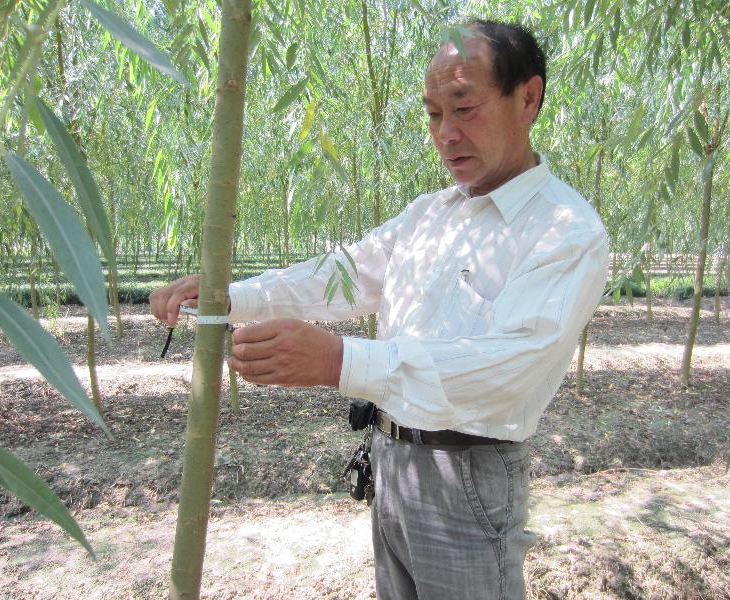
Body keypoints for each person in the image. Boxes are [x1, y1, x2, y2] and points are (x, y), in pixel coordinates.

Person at [150, 20, 608, 600]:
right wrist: (227, 296)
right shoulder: (431, 214)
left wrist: (339, 361)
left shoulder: (564, 231)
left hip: (468, 475)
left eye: (464, 108)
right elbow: (343, 275)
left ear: (528, 98)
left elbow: (507, 368)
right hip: (393, 461)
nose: (446, 134)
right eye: (434, 114)